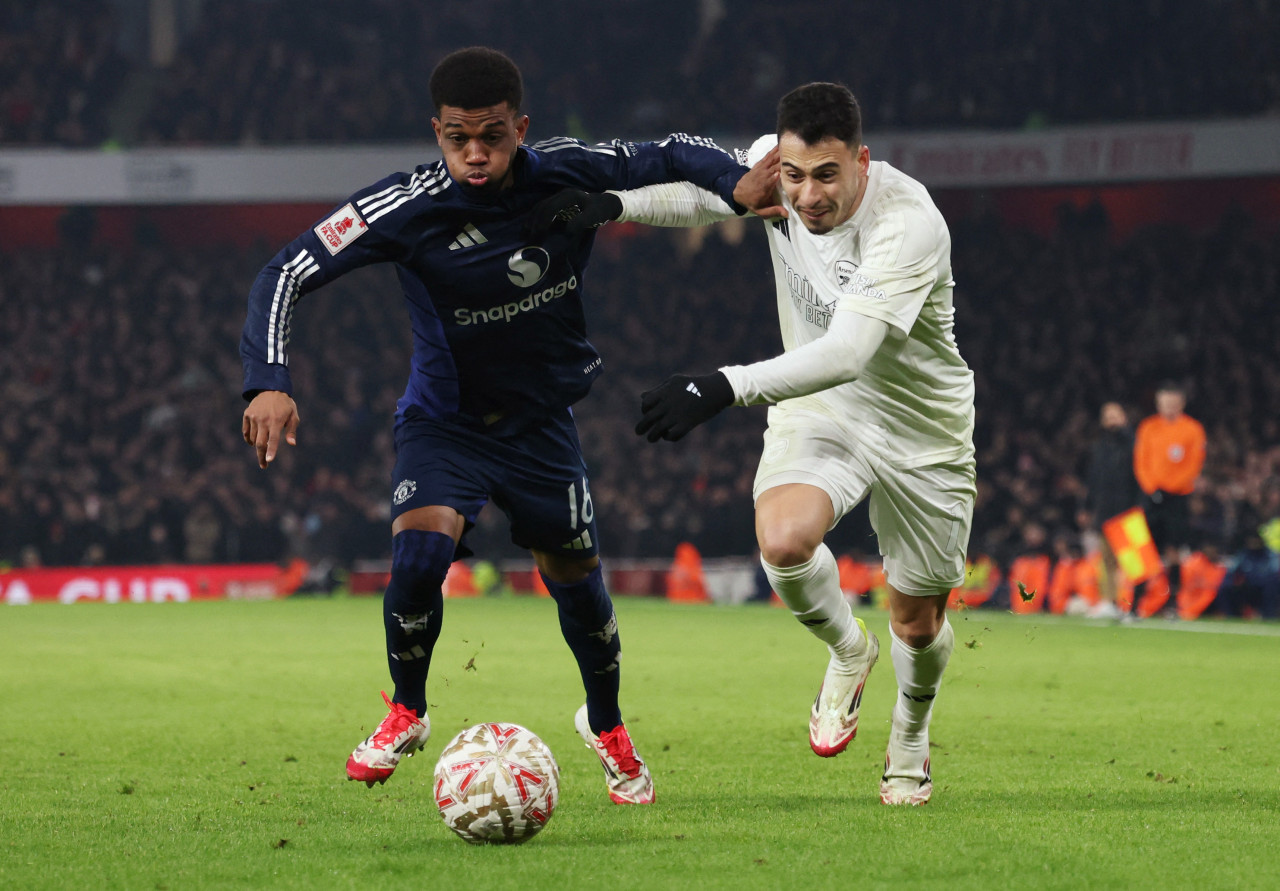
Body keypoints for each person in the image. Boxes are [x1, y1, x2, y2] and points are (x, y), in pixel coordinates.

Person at [239, 46, 763, 805]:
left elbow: (670, 151)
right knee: (419, 556)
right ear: (437, 132)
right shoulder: (405, 207)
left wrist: (733, 178)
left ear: (522, 127)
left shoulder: (566, 169)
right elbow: (284, 271)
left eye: (492, 135)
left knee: (578, 588)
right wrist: (269, 380)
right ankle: (408, 708)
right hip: (444, 423)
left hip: (541, 425)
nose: (475, 154)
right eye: (457, 138)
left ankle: (607, 724)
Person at [534, 82, 975, 805]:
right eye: (795, 175)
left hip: (921, 430)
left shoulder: (908, 222)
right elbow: (710, 198)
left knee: (918, 622)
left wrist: (723, 385)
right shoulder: (776, 176)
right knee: (784, 541)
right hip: (822, 409)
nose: (807, 196)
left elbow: (849, 351)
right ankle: (847, 650)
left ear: (861, 162)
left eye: (828, 175)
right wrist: (617, 207)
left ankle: (912, 726)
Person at [1133, 382, 1206, 611]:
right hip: (1151, 496)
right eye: (1164, 403)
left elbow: (1193, 466)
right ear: (1158, 403)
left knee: (1174, 550)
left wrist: (1169, 488)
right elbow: (1140, 462)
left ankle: (1173, 603)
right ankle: (1135, 604)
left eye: (1173, 403)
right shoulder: (1148, 427)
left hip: (1177, 498)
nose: (1169, 407)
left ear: (1181, 403)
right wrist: (1152, 488)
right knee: (1143, 550)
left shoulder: (1193, 429)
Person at [1080, 401, 1141, 615]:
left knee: (1132, 560)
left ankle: (1134, 603)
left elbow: (1140, 478)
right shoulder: (1099, 447)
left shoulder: (1135, 444)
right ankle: (1109, 602)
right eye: (1108, 416)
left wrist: (1141, 507)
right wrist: (1087, 507)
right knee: (1106, 559)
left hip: (1128, 509)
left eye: (1115, 415)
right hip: (1105, 510)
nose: (1111, 420)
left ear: (1124, 417)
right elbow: (1093, 480)